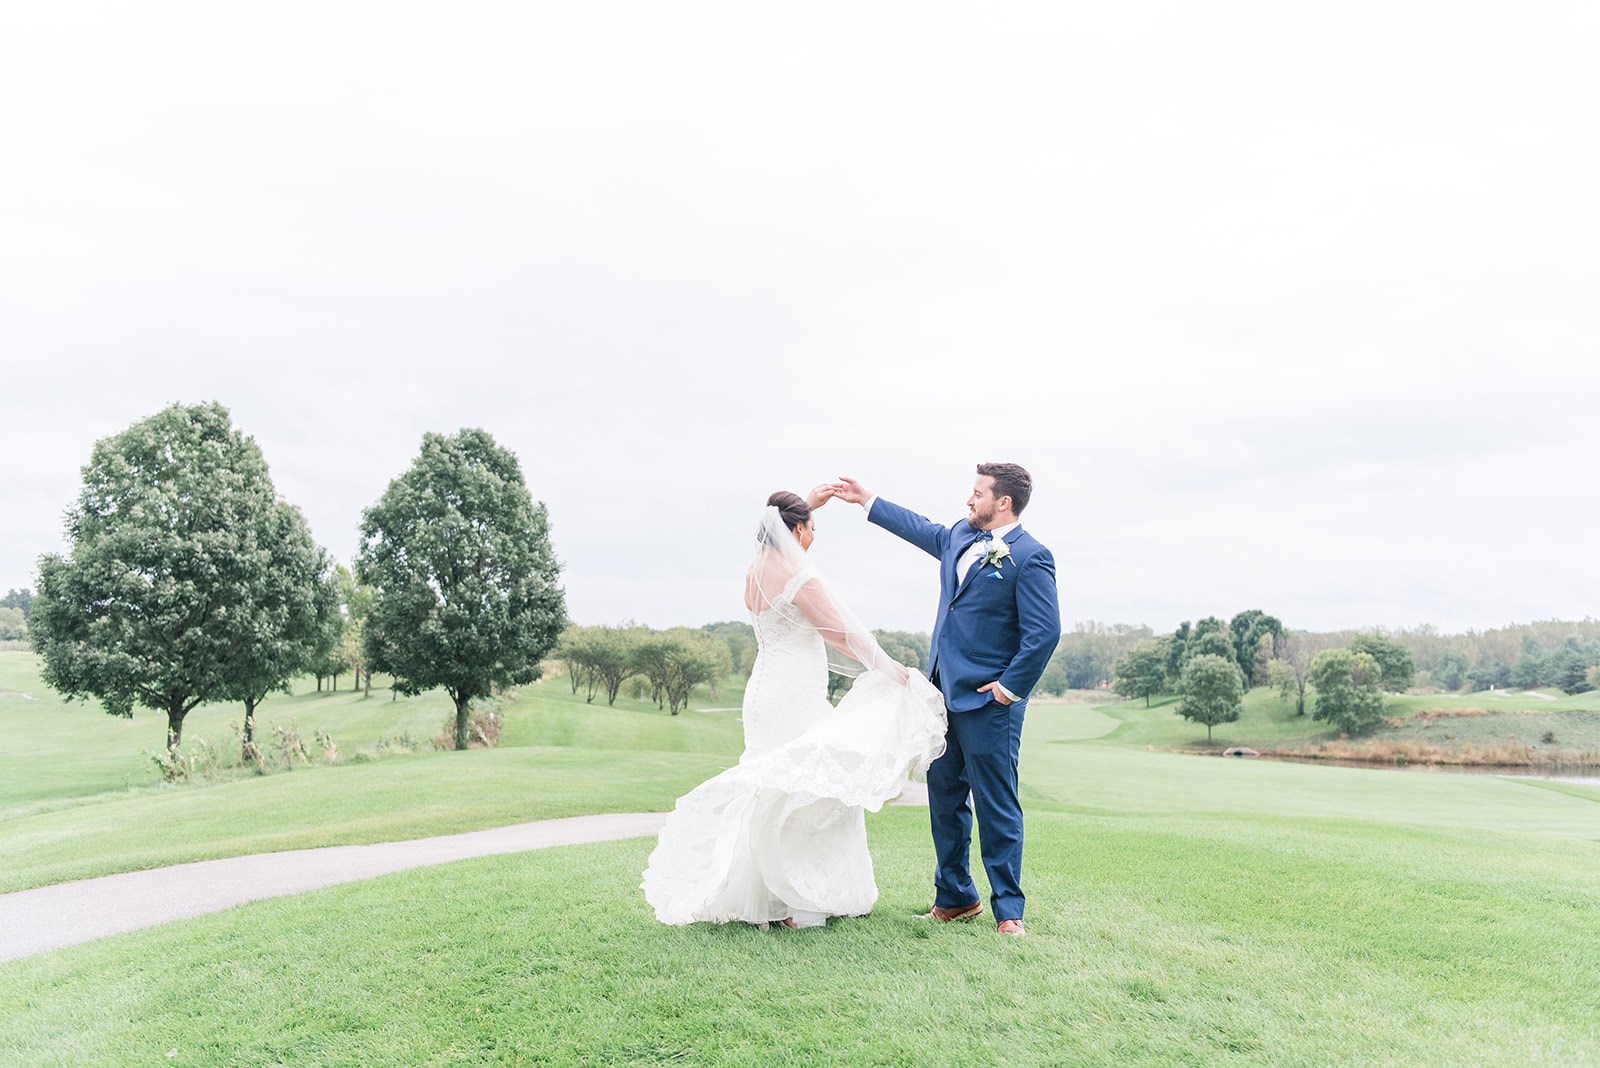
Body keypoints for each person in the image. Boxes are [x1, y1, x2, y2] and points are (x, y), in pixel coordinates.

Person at [641, 487, 948, 928]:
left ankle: (768, 899)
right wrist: (889, 667)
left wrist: (806, 505)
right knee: (810, 788)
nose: (813, 538)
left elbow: (779, 529)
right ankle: (799, 900)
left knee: (774, 789)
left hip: (763, 693)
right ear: (798, 530)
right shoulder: (799, 577)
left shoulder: (755, 570)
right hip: (794, 694)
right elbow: (841, 634)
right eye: (812, 529)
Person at [832, 464, 1060, 937]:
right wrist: (868, 500)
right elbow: (920, 528)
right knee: (945, 799)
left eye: (978, 493)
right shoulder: (958, 535)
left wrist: (1008, 688)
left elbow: (1044, 633)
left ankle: (1009, 911)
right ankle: (955, 897)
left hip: (990, 704)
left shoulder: (1030, 557)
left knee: (996, 804)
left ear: (1003, 503)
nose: (968, 500)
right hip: (940, 698)